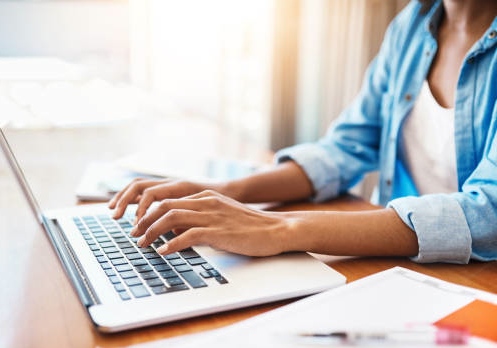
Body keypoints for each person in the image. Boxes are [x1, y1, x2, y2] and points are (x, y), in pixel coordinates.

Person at [109, 0, 497, 264]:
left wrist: (281, 228)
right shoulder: (412, 26)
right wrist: (228, 193)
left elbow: (488, 214)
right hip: (400, 265)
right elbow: (347, 146)